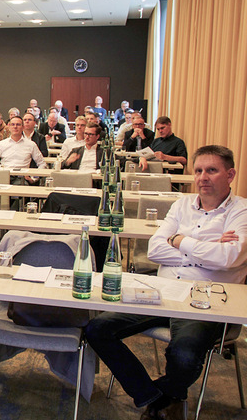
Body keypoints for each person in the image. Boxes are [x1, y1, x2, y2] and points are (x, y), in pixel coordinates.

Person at [85, 145, 247, 420]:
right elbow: (155, 250)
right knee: (97, 328)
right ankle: (158, 397)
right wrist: (205, 249)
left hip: (206, 299)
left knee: (183, 354)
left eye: (212, 170)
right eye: (198, 171)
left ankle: (160, 397)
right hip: (163, 290)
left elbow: (229, 257)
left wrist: (180, 241)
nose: (203, 177)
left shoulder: (241, 211)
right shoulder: (182, 204)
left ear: (230, 174)